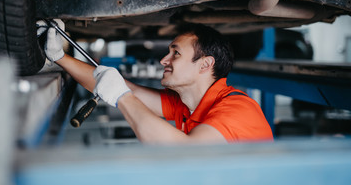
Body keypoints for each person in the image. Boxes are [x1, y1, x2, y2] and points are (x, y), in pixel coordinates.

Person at [39, 19, 273, 144]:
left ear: (205, 64)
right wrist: (60, 57)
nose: (163, 60)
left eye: (175, 53)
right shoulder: (188, 103)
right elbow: (118, 87)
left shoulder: (238, 110)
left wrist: (123, 97)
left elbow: (184, 154)